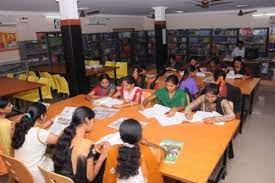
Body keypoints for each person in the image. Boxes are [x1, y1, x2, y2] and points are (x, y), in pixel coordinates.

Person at [53, 106, 110, 183]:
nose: (93, 124)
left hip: (61, 179)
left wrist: (93, 149)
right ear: (87, 120)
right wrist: (103, 155)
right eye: (93, 121)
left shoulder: (64, 133)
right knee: (105, 164)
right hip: (75, 180)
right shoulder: (87, 145)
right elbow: (90, 177)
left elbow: (73, 151)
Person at [103, 119, 164, 183]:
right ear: (140, 137)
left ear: (121, 138)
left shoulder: (112, 150)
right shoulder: (148, 151)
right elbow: (162, 151)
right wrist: (148, 143)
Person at [12, 103, 58, 183]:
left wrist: (51, 120)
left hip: (20, 171)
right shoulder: (39, 133)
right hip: (36, 175)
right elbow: (59, 140)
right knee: (59, 158)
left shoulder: (21, 128)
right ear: (42, 116)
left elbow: (38, 128)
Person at [0, 98, 14, 176]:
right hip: (8, 160)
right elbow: (8, 145)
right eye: (9, 105)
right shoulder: (7, 125)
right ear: (1, 110)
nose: (12, 106)